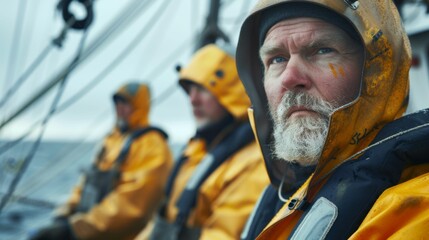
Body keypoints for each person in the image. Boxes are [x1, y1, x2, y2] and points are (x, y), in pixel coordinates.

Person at [235, 0, 429, 239]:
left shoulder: (419, 208)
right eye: (277, 59)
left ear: (377, 71)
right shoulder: (280, 195)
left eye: (322, 50)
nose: (290, 77)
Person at [137, 44, 269, 240]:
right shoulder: (195, 150)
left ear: (231, 94)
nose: (192, 99)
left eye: (202, 89)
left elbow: (224, 234)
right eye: (189, 90)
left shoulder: (254, 162)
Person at [29, 82, 173, 240]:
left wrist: (75, 229)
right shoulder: (111, 141)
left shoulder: (153, 146)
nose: (120, 109)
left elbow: (132, 205)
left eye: (126, 104)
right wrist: (64, 214)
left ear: (140, 106)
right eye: (117, 103)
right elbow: (87, 184)